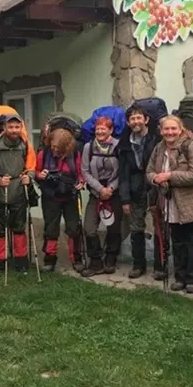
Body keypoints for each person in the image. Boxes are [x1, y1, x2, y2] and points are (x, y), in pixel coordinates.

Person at [146, 116, 193, 292]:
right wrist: (155, 179)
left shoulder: (192, 146)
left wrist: (169, 176)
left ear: (180, 129)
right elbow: (149, 171)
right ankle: (180, 277)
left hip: (192, 203)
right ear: (161, 131)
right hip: (169, 202)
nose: (170, 132)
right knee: (178, 241)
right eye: (166, 129)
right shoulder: (159, 148)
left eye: (173, 128)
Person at [0, 114, 36, 275]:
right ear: (5, 128)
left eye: (17, 127)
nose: (14, 130)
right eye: (11, 127)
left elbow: (31, 168)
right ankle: (0, 261)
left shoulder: (26, 145)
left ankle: (21, 260)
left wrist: (29, 177)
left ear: (21, 128)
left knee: (19, 228)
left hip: (19, 191)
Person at [118, 104, 161, 279]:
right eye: (132, 119)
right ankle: (138, 265)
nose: (136, 121)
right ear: (128, 122)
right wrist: (125, 199)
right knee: (136, 228)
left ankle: (160, 266)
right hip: (135, 189)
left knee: (159, 227)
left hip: (156, 188)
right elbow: (123, 173)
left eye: (139, 118)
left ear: (146, 120)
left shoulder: (157, 139)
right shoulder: (124, 143)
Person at [35, 128, 85, 272]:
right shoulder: (43, 154)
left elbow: (80, 173)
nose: (55, 150)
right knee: (51, 229)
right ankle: (50, 259)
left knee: (74, 228)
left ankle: (76, 258)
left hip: (70, 196)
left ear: (66, 146)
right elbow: (35, 171)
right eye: (53, 146)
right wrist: (40, 175)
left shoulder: (74, 154)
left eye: (58, 147)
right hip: (51, 197)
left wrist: (81, 182)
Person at [80, 116, 122, 277]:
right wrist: (100, 189)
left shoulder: (118, 146)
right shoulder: (88, 147)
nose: (100, 131)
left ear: (111, 130)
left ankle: (110, 259)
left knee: (114, 228)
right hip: (95, 193)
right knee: (89, 228)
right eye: (98, 129)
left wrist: (110, 189)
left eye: (103, 129)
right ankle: (96, 261)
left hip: (113, 193)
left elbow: (122, 171)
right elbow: (85, 171)